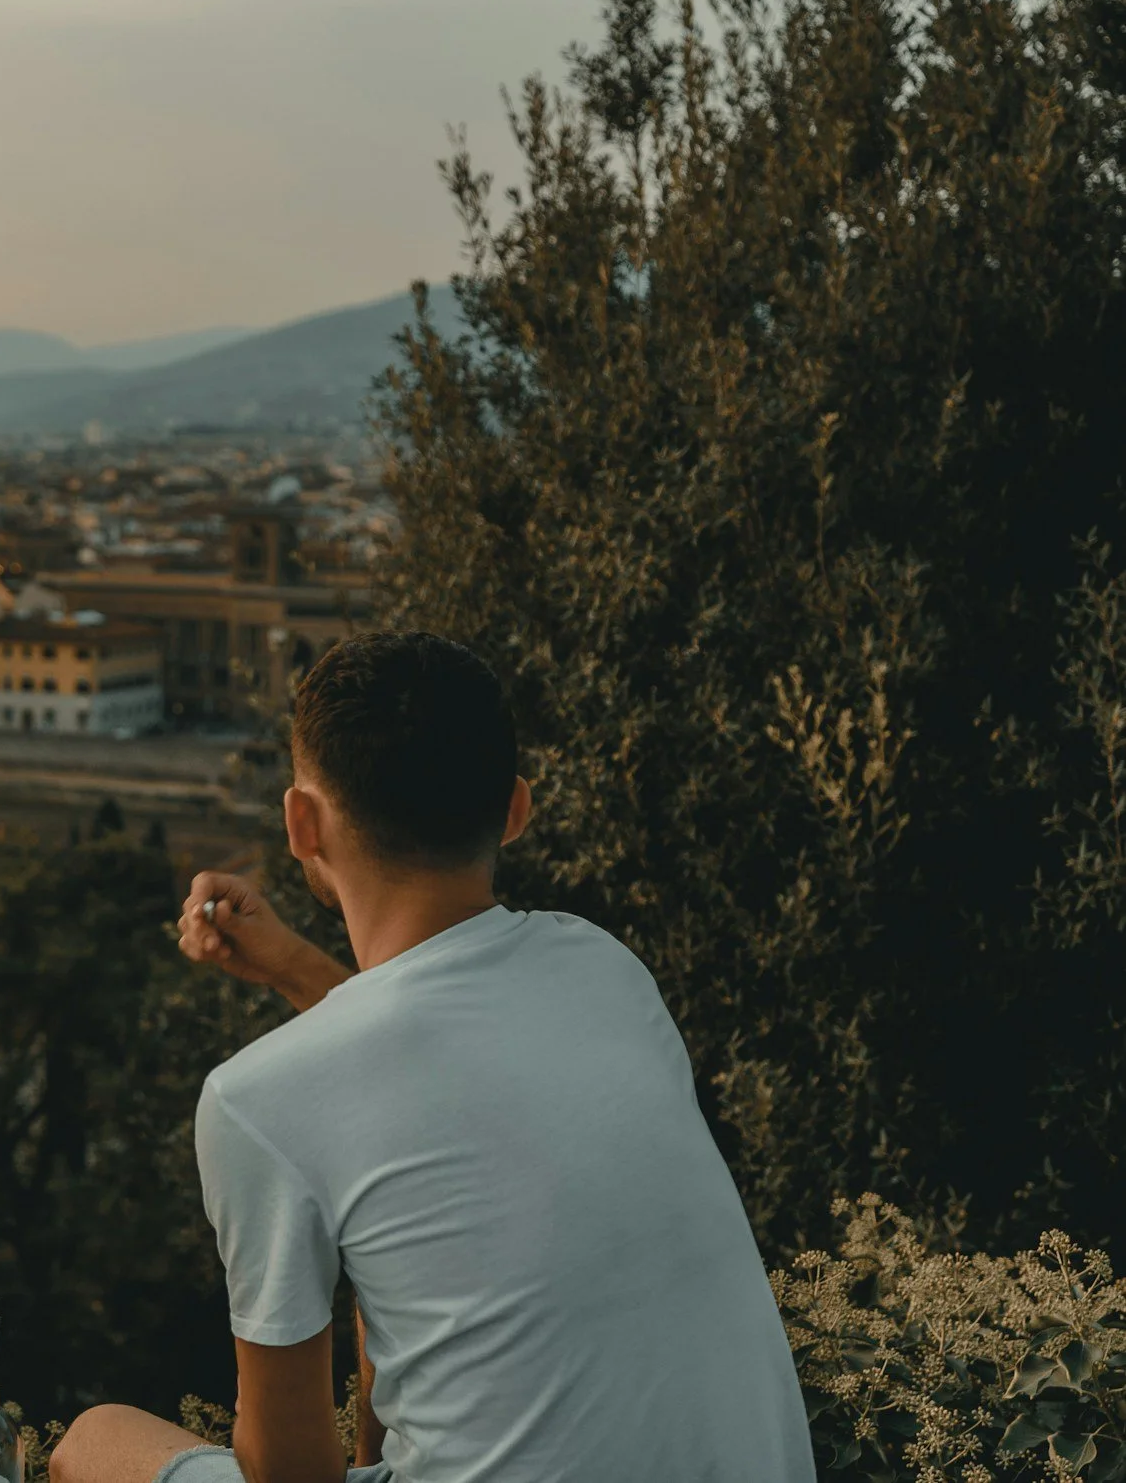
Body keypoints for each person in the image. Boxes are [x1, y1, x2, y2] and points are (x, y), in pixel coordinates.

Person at [49, 632, 816, 1483]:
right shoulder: (605, 968)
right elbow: (438, 1094)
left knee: (94, 1439)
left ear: (300, 822)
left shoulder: (255, 1099)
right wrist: (298, 968)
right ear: (516, 807)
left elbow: (289, 1475)